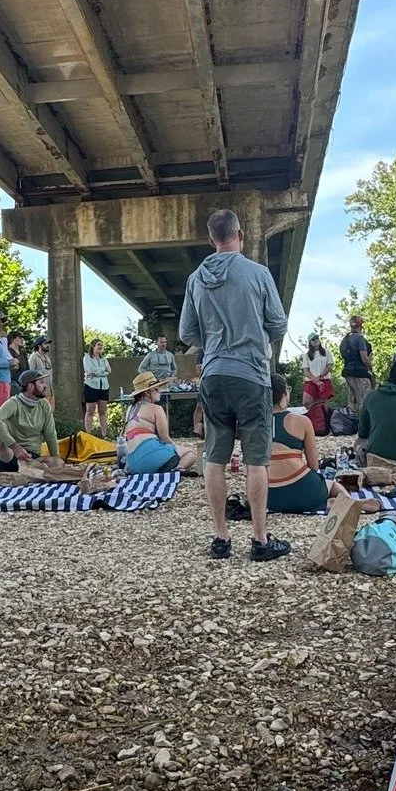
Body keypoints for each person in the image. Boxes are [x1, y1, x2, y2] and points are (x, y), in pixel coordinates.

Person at [178, 207, 291, 561]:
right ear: (240, 235)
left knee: (215, 457)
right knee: (256, 459)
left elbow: (186, 333)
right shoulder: (258, 274)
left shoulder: (196, 278)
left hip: (212, 374)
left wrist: (214, 341)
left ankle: (221, 539)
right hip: (252, 375)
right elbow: (278, 325)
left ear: (212, 240)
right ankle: (259, 540)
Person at [266, 375, 360, 513]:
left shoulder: (252, 423)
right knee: (331, 484)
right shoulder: (301, 421)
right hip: (306, 492)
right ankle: (353, 506)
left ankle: (331, 504)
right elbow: (313, 466)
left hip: (267, 497)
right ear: (285, 394)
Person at [0, 367, 58, 473]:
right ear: (31, 386)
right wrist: (15, 447)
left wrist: (56, 457)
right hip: (11, 455)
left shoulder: (44, 404)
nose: (45, 385)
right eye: (41, 382)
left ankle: (26, 471)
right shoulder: (14, 403)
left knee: (58, 463)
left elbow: (50, 435)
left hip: (31, 458)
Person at [123, 370, 197, 473]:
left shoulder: (130, 409)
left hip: (133, 463)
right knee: (191, 452)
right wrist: (175, 449)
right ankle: (178, 469)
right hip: (152, 453)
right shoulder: (156, 409)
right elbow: (165, 438)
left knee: (165, 451)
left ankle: (161, 464)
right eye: (157, 389)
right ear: (147, 393)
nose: (161, 391)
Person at [339, 313, 374, 416]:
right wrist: (370, 368)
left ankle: (353, 425)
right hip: (360, 373)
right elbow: (364, 358)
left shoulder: (344, 340)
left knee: (352, 401)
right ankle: (366, 426)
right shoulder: (360, 338)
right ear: (361, 326)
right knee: (366, 401)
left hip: (347, 372)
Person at [82, 338, 111, 436]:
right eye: (99, 344)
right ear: (93, 346)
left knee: (102, 411)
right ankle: (89, 435)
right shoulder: (86, 358)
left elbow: (109, 371)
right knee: (90, 410)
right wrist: (103, 370)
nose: (101, 347)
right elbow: (89, 370)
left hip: (104, 386)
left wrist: (97, 371)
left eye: (102, 345)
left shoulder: (104, 359)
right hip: (91, 386)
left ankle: (104, 435)